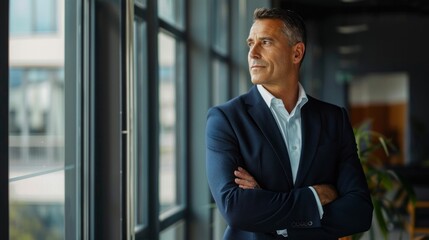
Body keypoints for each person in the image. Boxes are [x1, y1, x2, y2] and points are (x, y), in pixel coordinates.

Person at [205, 7, 373, 240]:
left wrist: (267, 208)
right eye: (250, 43)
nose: (252, 53)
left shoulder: (334, 119)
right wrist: (315, 197)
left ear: (296, 53)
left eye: (265, 42)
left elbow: (359, 212)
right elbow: (235, 208)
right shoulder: (226, 119)